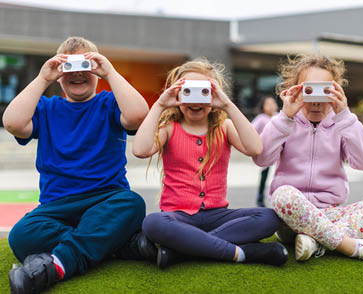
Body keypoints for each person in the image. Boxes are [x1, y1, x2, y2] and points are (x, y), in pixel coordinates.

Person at [3, 36, 149, 293]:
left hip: (106, 199)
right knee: (21, 235)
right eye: (70, 68)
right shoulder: (46, 108)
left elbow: (138, 116)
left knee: (132, 202)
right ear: (59, 75)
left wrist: (110, 72)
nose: (79, 74)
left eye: (86, 66)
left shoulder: (108, 104)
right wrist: (42, 78)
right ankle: (115, 245)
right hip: (57, 206)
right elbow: (13, 123)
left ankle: (57, 264)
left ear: (97, 71)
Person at [253, 54, 363, 266]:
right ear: (295, 91)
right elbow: (261, 159)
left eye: (325, 90)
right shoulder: (284, 122)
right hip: (290, 219)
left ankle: (316, 243)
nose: (317, 100)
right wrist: (284, 118)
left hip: (331, 215)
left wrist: (345, 116)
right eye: (309, 90)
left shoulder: (341, 123)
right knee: (282, 195)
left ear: (336, 91)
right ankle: (352, 247)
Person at [132, 59, 288, 269]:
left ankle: (182, 251)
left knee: (268, 217)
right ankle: (241, 252)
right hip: (179, 217)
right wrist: (160, 104)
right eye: (188, 91)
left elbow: (255, 148)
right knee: (153, 223)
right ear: (177, 94)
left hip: (219, 216)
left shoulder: (224, 126)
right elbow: (140, 150)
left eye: (204, 92)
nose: (196, 100)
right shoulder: (169, 128)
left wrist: (227, 105)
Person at [251, 97, 278, 207]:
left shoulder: (279, 116)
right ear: (263, 107)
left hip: (279, 151)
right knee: (265, 175)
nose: (271, 106)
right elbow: (251, 130)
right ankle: (260, 197)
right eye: (268, 104)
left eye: (273, 103)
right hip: (266, 151)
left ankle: (277, 197)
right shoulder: (261, 118)